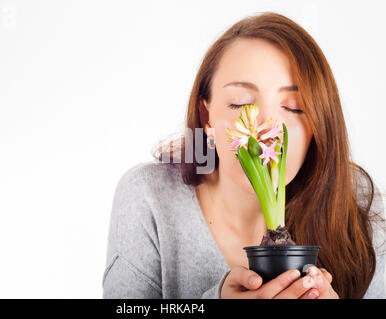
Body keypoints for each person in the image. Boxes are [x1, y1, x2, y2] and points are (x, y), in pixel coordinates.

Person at [102, 12, 385, 299]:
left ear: (319, 125)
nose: (266, 130)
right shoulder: (150, 196)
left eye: (294, 107)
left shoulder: (355, 204)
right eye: (240, 104)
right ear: (206, 117)